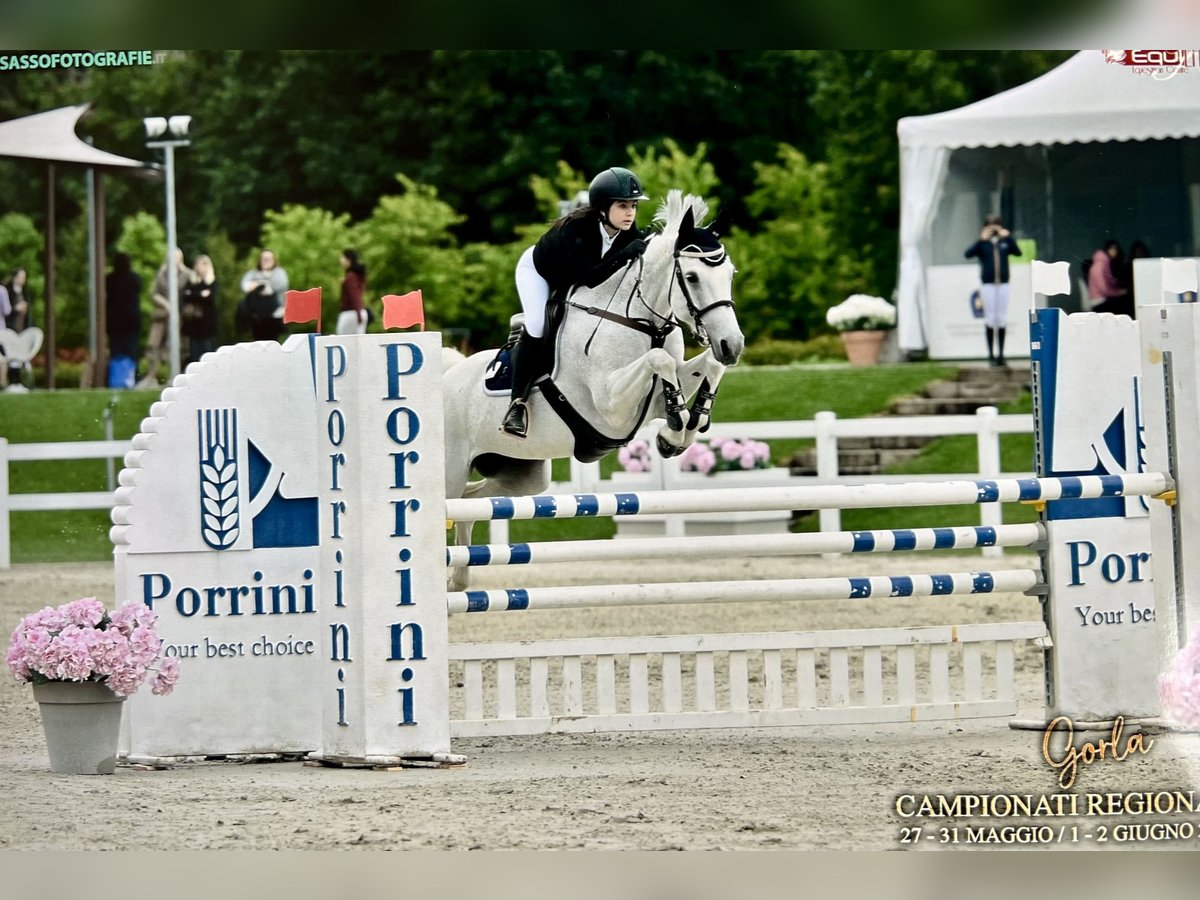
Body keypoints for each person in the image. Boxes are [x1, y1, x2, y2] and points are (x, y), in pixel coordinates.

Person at [501, 166, 649, 437]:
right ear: (603, 208)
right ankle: (516, 404)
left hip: (571, 278)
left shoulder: (629, 231)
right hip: (538, 272)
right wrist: (626, 254)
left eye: (633, 206)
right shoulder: (577, 229)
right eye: (622, 206)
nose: (630, 213)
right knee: (538, 326)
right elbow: (591, 278)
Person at [964, 214, 1022, 367]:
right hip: (988, 284)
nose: (993, 229)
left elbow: (1017, 252)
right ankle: (990, 355)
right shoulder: (983, 244)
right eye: (989, 225)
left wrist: (1008, 237)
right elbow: (968, 254)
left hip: (1003, 284)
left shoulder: (1004, 242)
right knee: (990, 318)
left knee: (1001, 318)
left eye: (995, 225)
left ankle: (1001, 354)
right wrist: (981, 239)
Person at [139, 248, 195, 387]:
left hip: (180, 317)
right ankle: (152, 376)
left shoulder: (188, 274)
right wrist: (166, 304)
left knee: (177, 346)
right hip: (162, 315)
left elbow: (192, 296)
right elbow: (154, 293)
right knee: (153, 344)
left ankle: (177, 376)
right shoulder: (162, 274)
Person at [105, 253, 142, 389]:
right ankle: (131, 379)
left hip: (114, 320)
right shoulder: (134, 279)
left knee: (116, 351)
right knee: (131, 350)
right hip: (131, 320)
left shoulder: (110, 279)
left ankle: (116, 380)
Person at [238, 249, 289, 342]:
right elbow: (245, 286)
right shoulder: (252, 273)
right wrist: (261, 284)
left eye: (269, 259)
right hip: (257, 317)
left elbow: (276, 286)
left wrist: (258, 284)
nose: (266, 261)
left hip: (275, 315)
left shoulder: (279, 273)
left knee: (273, 342)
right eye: (264, 259)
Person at [181, 254, 219, 365]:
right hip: (193, 322)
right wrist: (200, 295)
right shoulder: (192, 282)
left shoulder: (212, 282)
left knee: (206, 348)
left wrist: (195, 295)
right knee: (194, 350)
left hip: (206, 322)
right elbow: (186, 296)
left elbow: (210, 298)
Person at [3, 268, 32, 386]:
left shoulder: (24, 291)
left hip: (20, 327)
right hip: (10, 328)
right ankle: (11, 382)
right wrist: (16, 308)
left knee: (19, 357)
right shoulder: (7, 290)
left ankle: (18, 382)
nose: (23, 279)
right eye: (21, 276)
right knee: (10, 356)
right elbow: (5, 310)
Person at [1088, 239, 1131, 317]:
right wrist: (1120, 292)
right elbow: (1103, 289)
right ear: (1107, 249)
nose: (1115, 251)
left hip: (1103, 299)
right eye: (1113, 248)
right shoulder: (1099, 265)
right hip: (1099, 301)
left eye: (1116, 249)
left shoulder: (1105, 263)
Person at [335, 248, 367, 335]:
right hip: (359, 311)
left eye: (342, 257)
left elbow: (354, 295)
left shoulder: (350, 277)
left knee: (341, 342)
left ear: (348, 259)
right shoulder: (357, 276)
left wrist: (358, 313)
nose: (340, 260)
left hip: (351, 313)